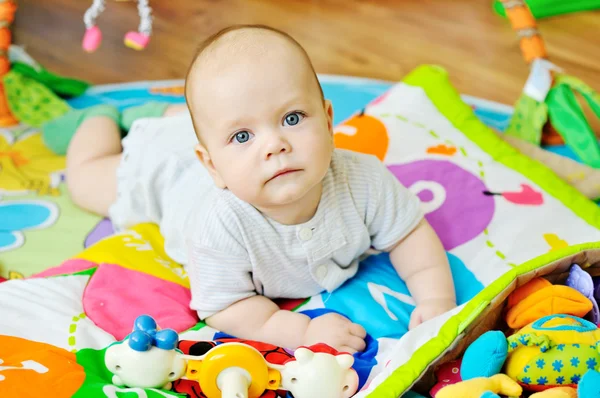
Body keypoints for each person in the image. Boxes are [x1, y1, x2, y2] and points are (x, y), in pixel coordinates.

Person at [43, 25, 456, 353]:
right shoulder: (218, 227)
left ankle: (181, 119)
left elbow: (410, 234)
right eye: (243, 136)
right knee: (85, 180)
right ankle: (100, 120)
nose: (275, 144)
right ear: (213, 166)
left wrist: (435, 300)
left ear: (329, 123)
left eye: (293, 118)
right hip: (165, 173)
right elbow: (227, 306)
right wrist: (301, 330)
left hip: (203, 142)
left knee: (218, 115)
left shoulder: (364, 180)